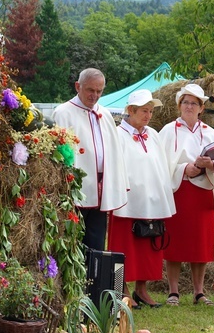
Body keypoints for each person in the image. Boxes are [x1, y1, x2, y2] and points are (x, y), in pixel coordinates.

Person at [109, 89, 175, 308]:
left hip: (151, 200)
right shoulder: (117, 135)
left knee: (149, 245)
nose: (148, 115)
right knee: (122, 246)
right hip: (127, 201)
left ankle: (141, 289)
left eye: (150, 111)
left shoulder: (153, 135)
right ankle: (121, 289)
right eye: (144, 111)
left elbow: (161, 167)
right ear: (130, 110)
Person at [52, 68, 128, 252]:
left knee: (96, 244)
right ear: (78, 86)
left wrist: (113, 182)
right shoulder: (63, 112)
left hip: (100, 190)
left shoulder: (105, 114)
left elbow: (114, 151)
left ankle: (94, 280)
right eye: (90, 90)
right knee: (72, 244)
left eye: (99, 91)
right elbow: (59, 154)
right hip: (75, 190)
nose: (95, 95)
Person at [159, 84, 214, 306]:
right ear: (179, 105)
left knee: (201, 242)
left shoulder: (209, 132)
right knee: (174, 240)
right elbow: (162, 163)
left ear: (201, 108)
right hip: (179, 190)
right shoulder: (168, 130)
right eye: (185, 102)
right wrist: (184, 169)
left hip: (203, 190)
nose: (189, 106)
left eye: (194, 103)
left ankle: (198, 291)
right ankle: (173, 291)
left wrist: (209, 165)